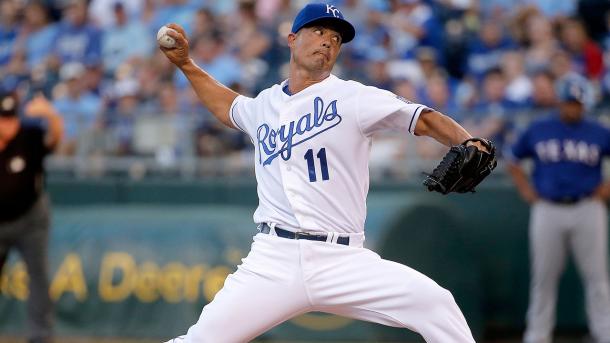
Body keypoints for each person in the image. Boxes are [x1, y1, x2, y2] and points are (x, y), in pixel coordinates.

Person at [161, 4, 490, 342]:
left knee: (436, 303)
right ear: (292, 39)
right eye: (318, 32)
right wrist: (187, 65)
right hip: (274, 259)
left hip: (343, 260)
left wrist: (469, 141)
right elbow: (227, 106)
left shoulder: (354, 98)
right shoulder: (263, 104)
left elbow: (424, 118)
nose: (328, 42)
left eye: (335, 38)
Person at [507, 74, 610, 343]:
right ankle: (538, 336)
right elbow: (512, 158)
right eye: (568, 102)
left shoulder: (598, 131)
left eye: (576, 103)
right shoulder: (540, 128)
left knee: (597, 277)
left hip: (588, 206)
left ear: (584, 103)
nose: (572, 107)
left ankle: (605, 332)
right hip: (548, 208)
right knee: (544, 277)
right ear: (559, 102)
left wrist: (606, 188)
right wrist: (525, 189)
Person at [0, 91, 63, 343]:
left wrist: (51, 116)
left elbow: (55, 142)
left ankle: (40, 336)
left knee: (38, 278)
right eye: (2, 119)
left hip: (30, 220)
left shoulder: (29, 136)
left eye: (10, 118)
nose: (7, 124)